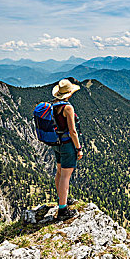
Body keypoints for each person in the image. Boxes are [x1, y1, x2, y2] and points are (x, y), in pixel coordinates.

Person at [51, 78, 83, 220]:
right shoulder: (67, 108)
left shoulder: (54, 105)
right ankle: (63, 210)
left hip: (57, 144)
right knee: (66, 176)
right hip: (67, 145)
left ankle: (62, 199)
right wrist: (78, 148)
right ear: (69, 94)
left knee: (59, 172)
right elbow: (73, 131)